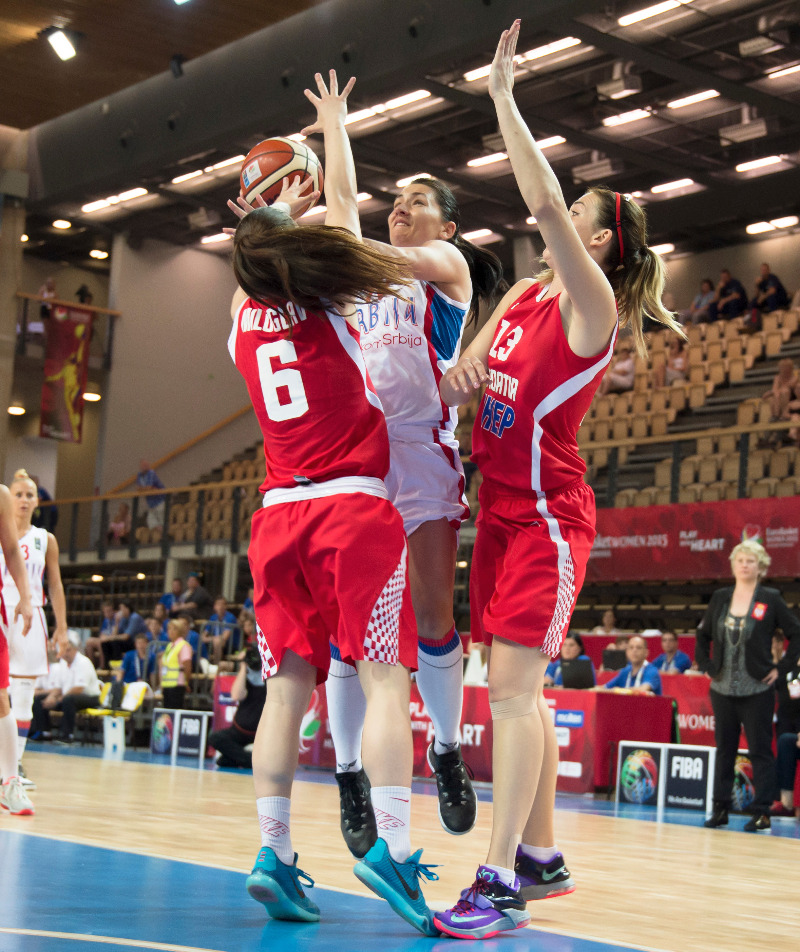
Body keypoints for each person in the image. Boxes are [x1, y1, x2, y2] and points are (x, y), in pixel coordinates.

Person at [432, 22, 686, 941]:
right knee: (515, 687)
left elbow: (538, 196)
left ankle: (498, 882)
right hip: (494, 512)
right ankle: (540, 854)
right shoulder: (526, 296)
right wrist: (455, 380)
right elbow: (479, 375)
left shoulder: (591, 306)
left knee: (506, 695)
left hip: (545, 516)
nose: (560, 211)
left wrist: (503, 97)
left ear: (598, 241)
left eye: (578, 209)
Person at [226, 70, 439, 934]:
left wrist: (276, 199)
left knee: (288, 686)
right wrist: (331, 136)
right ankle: (390, 846)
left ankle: (272, 854)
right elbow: (345, 204)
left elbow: (280, 237)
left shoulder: (238, 311)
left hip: (276, 515)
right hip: (351, 508)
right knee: (388, 676)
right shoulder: (332, 289)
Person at [323, 136, 505, 856]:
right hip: (359, 459)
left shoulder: (447, 267)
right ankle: (346, 775)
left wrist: (340, 153)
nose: (401, 208)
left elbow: (347, 226)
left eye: (417, 202)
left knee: (434, 613)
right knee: (350, 629)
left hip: (423, 451)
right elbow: (341, 218)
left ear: (447, 227)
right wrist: (334, 138)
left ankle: (449, 750)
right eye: (395, 201)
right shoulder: (364, 282)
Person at [696, 540, 800, 832]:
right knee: (724, 749)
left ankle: (762, 810)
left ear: (761, 567)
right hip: (722, 687)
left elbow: (796, 633)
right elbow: (702, 635)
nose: (744, 565)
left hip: (757, 688)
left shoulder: (771, 598)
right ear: (733, 565)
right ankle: (720, 808)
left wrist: (781, 669)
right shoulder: (720, 597)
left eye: (750, 561)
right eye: (740, 560)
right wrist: (706, 665)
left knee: (760, 750)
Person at [0, 470, 68, 786]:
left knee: (24, 694)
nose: (24, 500)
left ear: (38, 501)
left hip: (32, 615)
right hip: (3, 611)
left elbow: (54, 585)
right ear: (7, 498)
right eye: (19, 494)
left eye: (30, 494)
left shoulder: (46, 539)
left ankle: (15, 766)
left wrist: (62, 627)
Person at [0, 485, 35, 815]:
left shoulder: (0, 495)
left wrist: (25, 597)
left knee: (1, 698)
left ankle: (10, 782)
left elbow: (11, 550)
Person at [29, 631, 101, 743]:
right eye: (64, 650)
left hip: (90, 697)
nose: (66, 653)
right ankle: (44, 732)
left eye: (69, 650)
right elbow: (58, 687)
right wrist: (52, 697)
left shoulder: (83, 662)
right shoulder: (62, 663)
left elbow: (79, 688)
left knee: (69, 700)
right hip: (68, 696)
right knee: (40, 699)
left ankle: (67, 735)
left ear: (75, 650)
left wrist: (60, 699)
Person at [209, 644, 267, 769]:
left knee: (224, 761)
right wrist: (243, 667)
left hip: (262, 734)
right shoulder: (246, 678)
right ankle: (250, 761)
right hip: (239, 731)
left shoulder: (270, 679)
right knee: (215, 738)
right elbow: (236, 696)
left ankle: (243, 759)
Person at [159, 618, 193, 710]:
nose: (170, 631)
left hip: (177, 684)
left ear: (179, 631)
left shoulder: (183, 645)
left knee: (175, 710)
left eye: (174, 629)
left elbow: (187, 666)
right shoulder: (169, 646)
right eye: (169, 629)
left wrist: (186, 682)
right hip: (167, 684)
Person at [201, 596, 238, 664]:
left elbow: (224, 637)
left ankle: (216, 666)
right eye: (218, 604)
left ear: (226, 606)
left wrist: (211, 639)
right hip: (215, 644)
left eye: (223, 604)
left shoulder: (230, 617)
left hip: (230, 644)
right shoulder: (213, 617)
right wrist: (213, 639)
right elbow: (203, 637)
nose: (220, 606)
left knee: (217, 641)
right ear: (214, 606)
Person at [135, 460, 166, 539]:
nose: (144, 467)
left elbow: (148, 487)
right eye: (142, 465)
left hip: (160, 500)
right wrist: (148, 489)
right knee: (150, 520)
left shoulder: (151, 473)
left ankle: (165, 536)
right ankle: (164, 534)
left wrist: (146, 489)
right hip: (151, 503)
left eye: (146, 465)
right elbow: (138, 488)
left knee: (161, 519)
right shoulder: (139, 475)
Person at [762, 358, 798, 424]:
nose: (784, 370)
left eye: (786, 367)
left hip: (790, 399)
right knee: (773, 397)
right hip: (779, 399)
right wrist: (773, 393)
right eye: (783, 368)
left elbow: (787, 387)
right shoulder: (777, 377)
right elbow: (774, 389)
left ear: (791, 368)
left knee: (784, 392)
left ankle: (784, 414)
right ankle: (775, 416)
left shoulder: (794, 378)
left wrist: (771, 393)